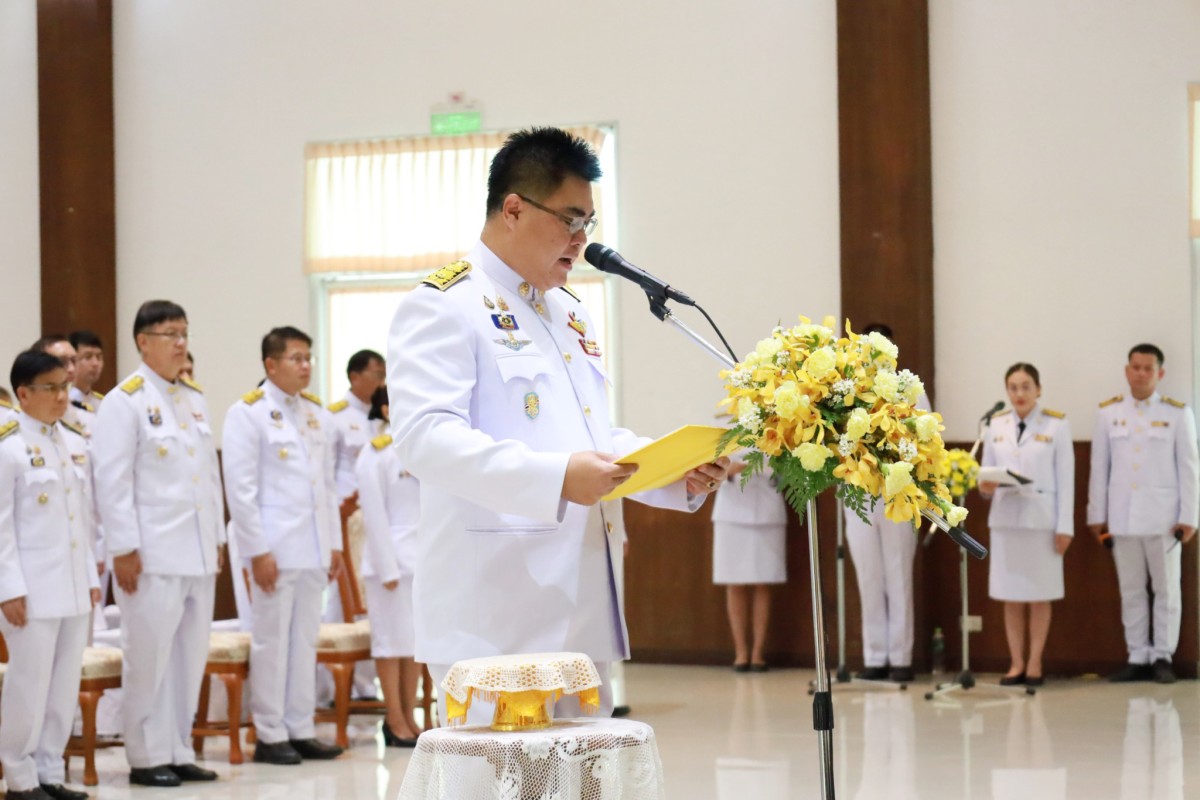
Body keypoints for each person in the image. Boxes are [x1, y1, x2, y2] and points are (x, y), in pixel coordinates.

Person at [387, 127, 729, 722]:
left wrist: (676, 472)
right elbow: (424, 440)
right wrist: (555, 480)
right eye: (570, 220)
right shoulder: (445, 303)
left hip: (582, 606)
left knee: (584, 783)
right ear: (514, 208)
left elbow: (591, 440)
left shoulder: (568, 310)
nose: (581, 240)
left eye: (588, 224)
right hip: (492, 614)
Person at [92, 300, 225, 787]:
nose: (181, 343)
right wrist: (123, 548)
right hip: (150, 554)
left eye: (185, 332)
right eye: (170, 333)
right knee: (148, 656)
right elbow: (111, 480)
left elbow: (208, 476)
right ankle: (146, 755)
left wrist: (218, 539)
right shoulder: (123, 402)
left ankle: (178, 747)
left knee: (188, 657)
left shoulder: (193, 398)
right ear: (143, 342)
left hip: (196, 551)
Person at [221, 326, 345, 764]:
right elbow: (240, 488)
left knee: (304, 641)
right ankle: (270, 732)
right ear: (270, 365)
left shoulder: (316, 414)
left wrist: (334, 546)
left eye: (308, 357)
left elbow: (326, 487)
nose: (305, 365)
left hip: (312, 548)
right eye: (295, 358)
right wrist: (257, 550)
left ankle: (300, 726)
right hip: (274, 547)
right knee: (271, 642)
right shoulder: (248, 413)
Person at [0, 350, 100, 800]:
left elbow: (83, 519)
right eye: (51, 388)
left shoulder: (74, 441)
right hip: (31, 589)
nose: (62, 396)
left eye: (65, 386)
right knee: (28, 684)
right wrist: (8, 587)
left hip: (74, 586)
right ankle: (19, 778)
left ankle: (50, 772)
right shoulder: (8, 447)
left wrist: (92, 578)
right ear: (23, 393)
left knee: (62, 686)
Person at [1087, 344, 1198, 684]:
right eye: (1135, 367)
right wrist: (1096, 514)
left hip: (1165, 518)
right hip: (1122, 517)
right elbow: (1098, 467)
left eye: (1148, 368)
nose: (1141, 373)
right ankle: (1137, 655)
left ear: (1159, 373)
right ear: (1126, 370)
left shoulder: (1178, 413)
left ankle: (1163, 656)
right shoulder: (1109, 413)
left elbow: (1189, 468)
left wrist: (1190, 517)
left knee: (1167, 589)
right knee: (1131, 589)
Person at [978, 363, 1073, 687]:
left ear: (1038, 389)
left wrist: (1066, 527)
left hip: (1042, 522)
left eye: (1025, 386)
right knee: (1011, 594)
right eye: (1013, 387)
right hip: (1006, 521)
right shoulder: (995, 424)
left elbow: (1066, 480)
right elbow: (986, 473)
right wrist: (985, 487)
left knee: (1039, 594)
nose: (1019, 393)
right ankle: (1016, 663)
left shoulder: (1056, 425)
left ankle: (1035, 663)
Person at [842, 323, 925, 683]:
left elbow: (924, 439)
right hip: (858, 495)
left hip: (897, 495)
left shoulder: (909, 387)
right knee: (869, 576)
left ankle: (901, 657)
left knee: (897, 574)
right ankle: (875, 656)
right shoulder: (846, 388)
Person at [355, 386, 421, 745]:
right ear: (386, 408)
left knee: (413, 646)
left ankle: (410, 717)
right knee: (390, 644)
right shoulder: (375, 452)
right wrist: (387, 568)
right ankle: (393, 719)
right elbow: (374, 514)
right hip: (389, 563)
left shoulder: (422, 448)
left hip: (421, 561)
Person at [321, 349, 385, 701]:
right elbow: (326, 473)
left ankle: (364, 686)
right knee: (339, 604)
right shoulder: (335, 417)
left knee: (372, 600)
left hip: (373, 521)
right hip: (346, 522)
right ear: (354, 376)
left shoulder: (381, 419)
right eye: (376, 374)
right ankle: (335, 687)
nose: (381, 382)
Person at [712, 454, 787, 672]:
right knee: (733, 582)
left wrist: (754, 465)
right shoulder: (722, 422)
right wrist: (731, 469)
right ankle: (741, 653)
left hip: (768, 507)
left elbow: (784, 464)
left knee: (764, 581)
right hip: (730, 511)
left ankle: (757, 654)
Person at [30, 336, 96, 441]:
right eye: (62, 362)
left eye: (74, 361)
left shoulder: (88, 419)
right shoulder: (12, 419)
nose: (71, 369)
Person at [68, 330, 106, 413]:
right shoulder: (61, 402)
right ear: (72, 361)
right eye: (88, 357)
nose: (95, 363)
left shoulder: (104, 404)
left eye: (99, 357)